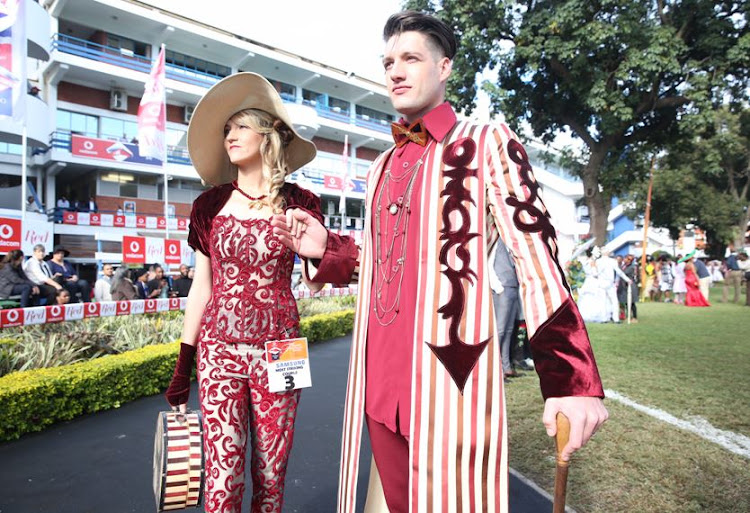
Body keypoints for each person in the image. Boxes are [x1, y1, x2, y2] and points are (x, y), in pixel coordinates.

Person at [270, 12, 607, 512]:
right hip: (380, 377)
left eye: (411, 58)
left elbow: (536, 257)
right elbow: (384, 267)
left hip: (450, 378)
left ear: (445, 66)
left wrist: (570, 379)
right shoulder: (381, 166)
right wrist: (328, 250)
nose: (396, 72)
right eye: (388, 62)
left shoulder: (487, 141)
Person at [163, 71, 326, 513]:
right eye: (226, 130)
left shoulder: (302, 203)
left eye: (239, 126)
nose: (229, 136)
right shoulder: (208, 206)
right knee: (222, 475)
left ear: (268, 133)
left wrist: (321, 252)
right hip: (219, 351)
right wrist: (184, 362)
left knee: (273, 474)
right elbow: (202, 286)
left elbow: (314, 280)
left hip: (283, 349)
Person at [489, 236, 521, 380]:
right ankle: (494, 369)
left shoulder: (511, 242)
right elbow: (489, 264)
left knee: (508, 330)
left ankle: (506, 367)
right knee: (500, 330)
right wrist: (498, 288)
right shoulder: (496, 241)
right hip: (502, 288)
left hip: (513, 286)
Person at [599, 248, 631, 322]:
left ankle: (604, 318)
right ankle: (615, 318)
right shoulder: (612, 261)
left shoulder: (598, 261)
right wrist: (627, 279)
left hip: (601, 283)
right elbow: (619, 272)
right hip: (609, 283)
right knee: (614, 301)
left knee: (603, 301)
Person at [577, 247, 609, 323]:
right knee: (597, 297)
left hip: (587, 280)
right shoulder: (592, 262)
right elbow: (595, 273)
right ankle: (597, 315)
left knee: (586, 298)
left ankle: (585, 314)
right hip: (593, 280)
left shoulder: (585, 261)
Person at [617, 254, 640, 322]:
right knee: (626, 302)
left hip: (630, 286)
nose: (625, 260)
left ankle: (635, 317)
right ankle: (628, 315)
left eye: (627, 259)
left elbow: (624, 273)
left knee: (632, 302)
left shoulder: (631, 267)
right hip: (624, 285)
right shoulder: (624, 266)